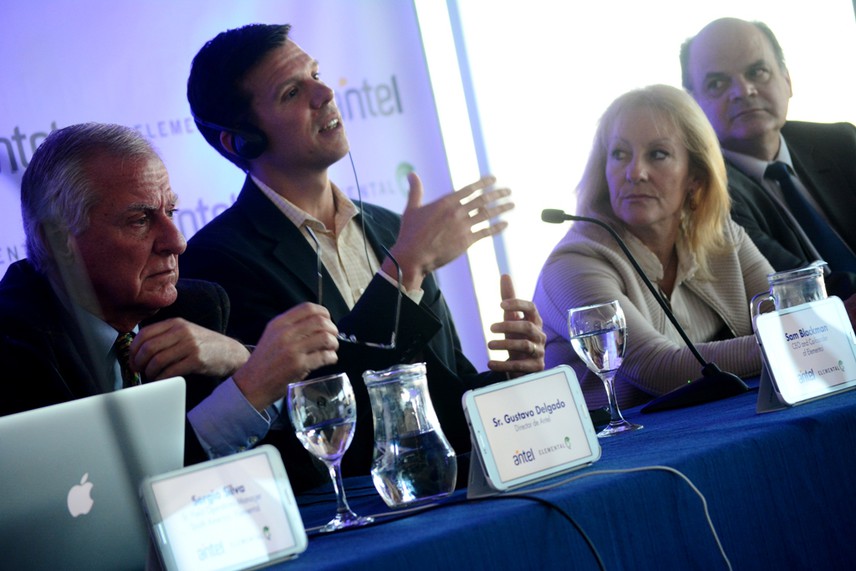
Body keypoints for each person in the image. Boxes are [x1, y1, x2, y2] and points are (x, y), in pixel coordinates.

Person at [181, 23, 546, 486]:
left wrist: (512, 381)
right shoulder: (218, 260)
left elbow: (444, 394)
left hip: (443, 489)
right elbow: (320, 423)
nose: (325, 93)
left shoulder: (391, 228)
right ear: (240, 140)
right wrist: (404, 269)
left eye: (316, 75)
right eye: (292, 92)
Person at [0, 123, 339, 488]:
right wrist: (246, 394)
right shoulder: (14, 343)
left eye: (171, 212)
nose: (177, 242)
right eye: (140, 220)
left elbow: (309, 476)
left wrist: (242, 359)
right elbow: (101, 497)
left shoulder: (197, 307)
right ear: (58, 242)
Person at [533, 85, 773, 409]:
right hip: (624, 439)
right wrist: (790, 339)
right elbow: (657, 368)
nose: (635, 173)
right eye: (619, 154)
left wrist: (802, 330)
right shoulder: (572, 266)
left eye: (658, 154)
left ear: (695, 175)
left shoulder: (721, 234)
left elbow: (785, 312)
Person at [680, 17, 856, 298]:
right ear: (692, 105)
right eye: (717, 83)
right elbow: (802, 287)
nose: (743, 91)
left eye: (758, 71)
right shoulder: (706, 192)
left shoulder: (841, 142)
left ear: (787, 80)